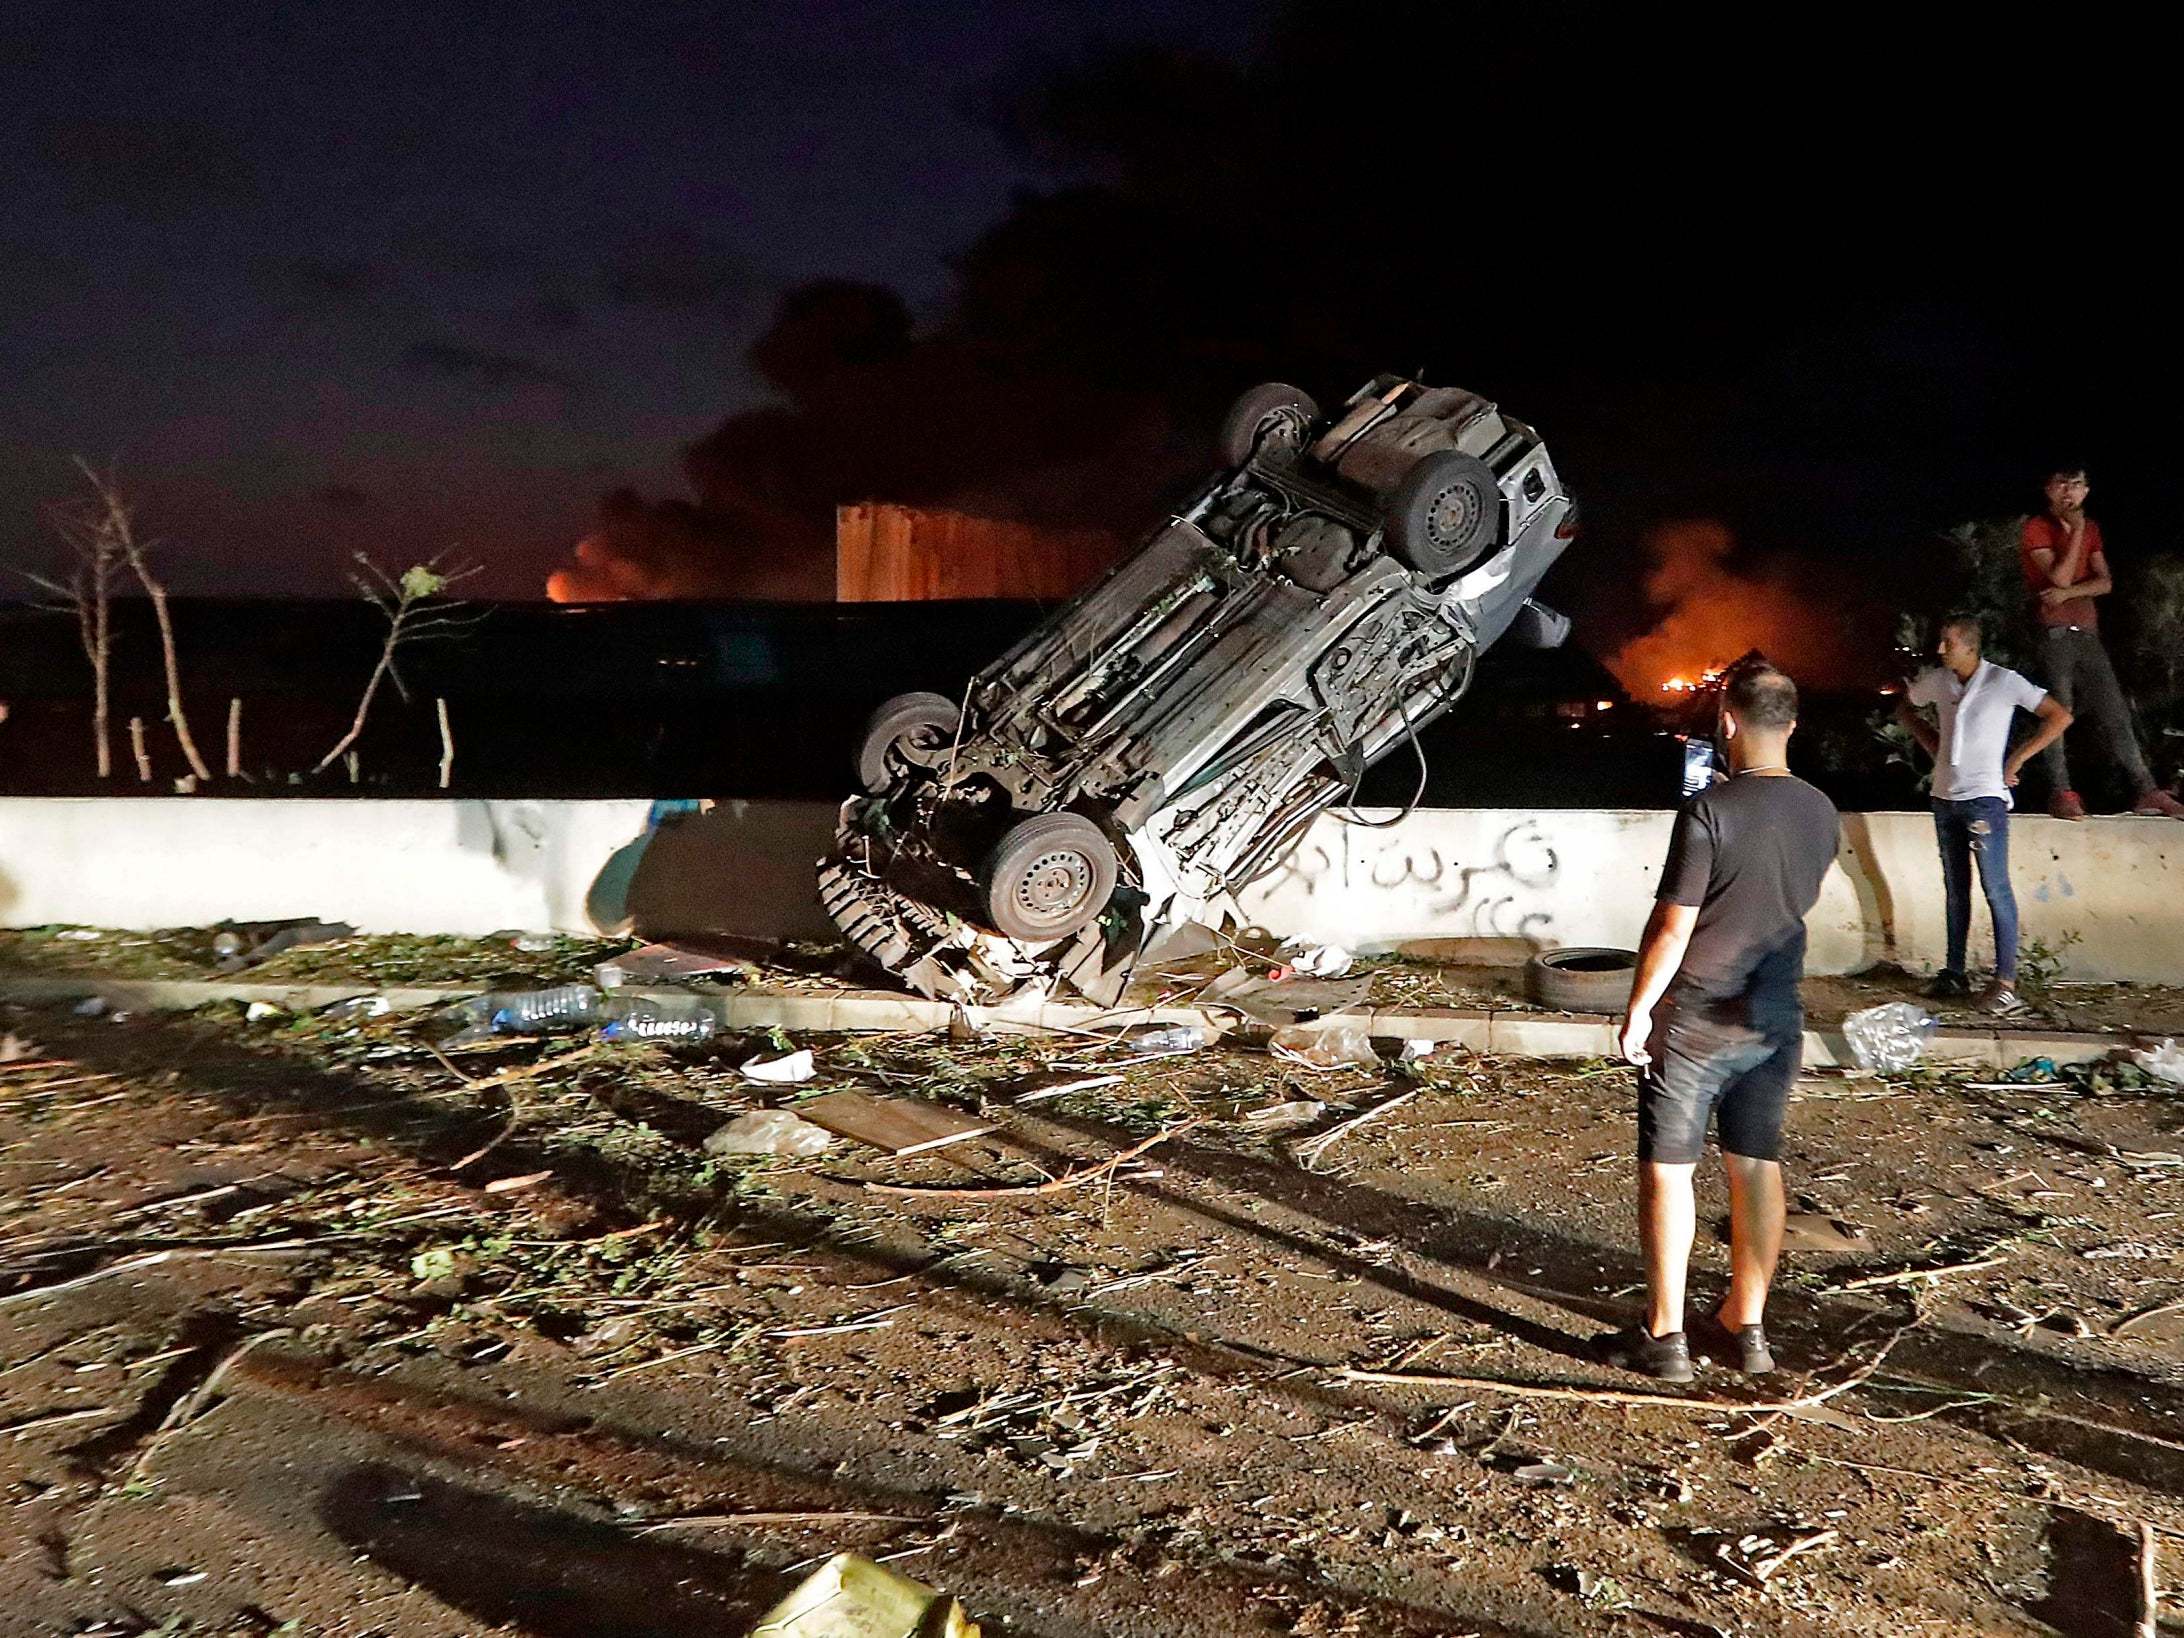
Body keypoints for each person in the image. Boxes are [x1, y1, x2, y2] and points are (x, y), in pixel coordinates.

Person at [1605, 662, 1840, 1382]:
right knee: (1756, 1164)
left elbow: (1672, 928)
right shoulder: (1822, 811)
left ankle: (1667, 1336)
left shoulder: (1710, 810)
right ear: (1792, 725)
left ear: (1728, 723)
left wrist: (1639, 1009)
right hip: (1774, 1016)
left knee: (1670, 1170)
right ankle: (1748, 1326)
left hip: (1699, 1018)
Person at [1896, 614, 2073, 1012]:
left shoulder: (2003, 682)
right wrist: (1933, 745)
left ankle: (2005, 980)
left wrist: (2016, 760)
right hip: (1945, 797)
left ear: (1971, 647)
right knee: (1956, 889)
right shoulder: (1939, 682)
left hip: (1984, 799)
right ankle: (1954, 972)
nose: (1941, 650)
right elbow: (1906, 707)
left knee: (1995, 887)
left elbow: (2059, 716)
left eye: (1949, 643)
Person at [2022, 466, 2184, 820]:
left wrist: (2069, 592)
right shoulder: (2038, 527)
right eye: (2062, 484)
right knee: (2059, 714)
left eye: (2077, 485)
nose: (2070, 493)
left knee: (2116, 713)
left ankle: (2146, 790)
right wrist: (2076, 532)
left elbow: (2105, 583)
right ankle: (2061, 793)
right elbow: (2058, 575)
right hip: (2055, 634)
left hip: (2088, 634)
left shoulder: (2092, 529)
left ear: (2087, 491)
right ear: (2049, 489)